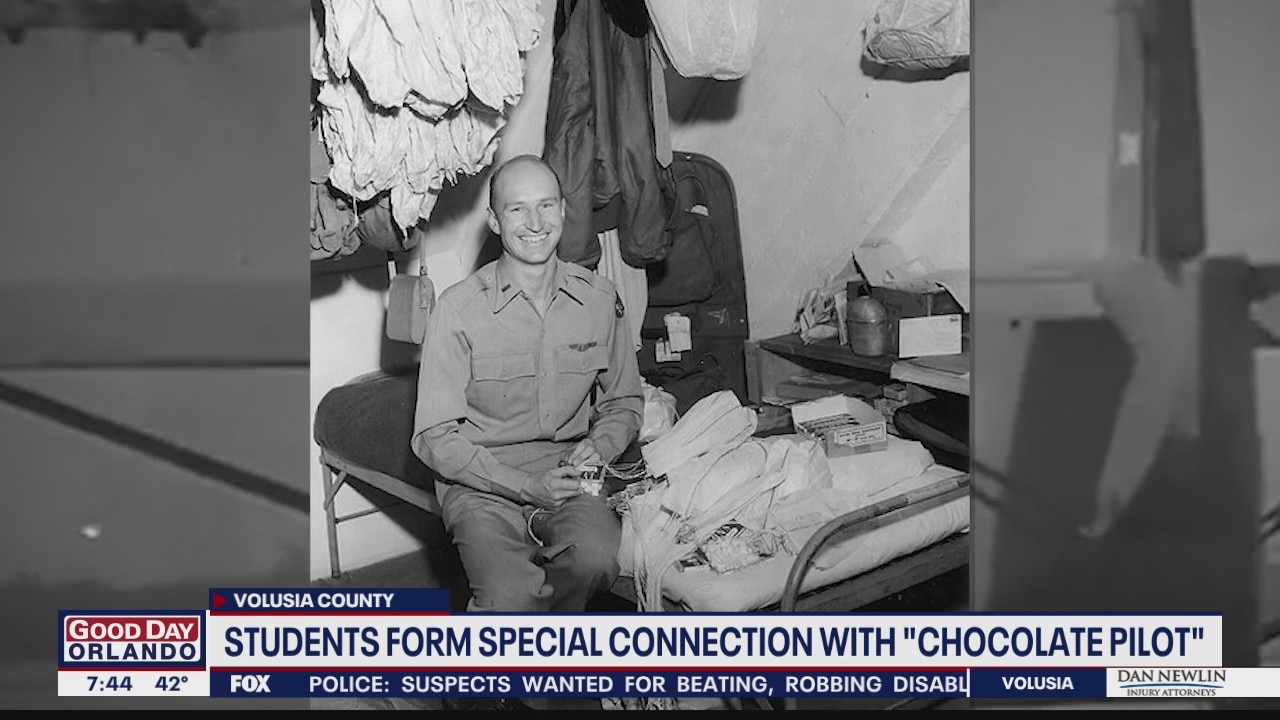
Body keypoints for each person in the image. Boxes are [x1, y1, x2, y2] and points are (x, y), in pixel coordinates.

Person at [412, 154, 643, 617]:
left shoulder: (599, 300)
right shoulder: (458, 310)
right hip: (480, 480)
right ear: (495, 221)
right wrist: (524, 486)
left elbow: (625, 402)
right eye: (517, 209)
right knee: (509, 597)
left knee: (598, 561)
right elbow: (434, 438)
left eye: (546, 205)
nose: (535, 223)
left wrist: (599, 445)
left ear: (563, 210)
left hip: (567, 475)